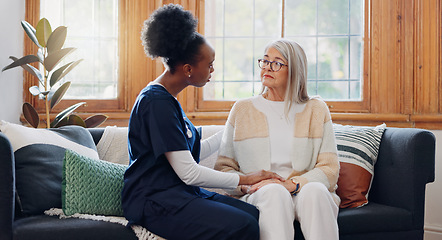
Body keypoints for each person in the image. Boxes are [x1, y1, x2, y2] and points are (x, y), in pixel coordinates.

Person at [121, 4, 282, 240]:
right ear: (188, 69)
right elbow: (188, 172)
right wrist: (246, 178)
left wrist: (235, 124)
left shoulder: (169, 100)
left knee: (254, 215)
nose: (212, 70)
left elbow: (192, 150)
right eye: (209, 65)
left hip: (178, 193)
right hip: (153, 200)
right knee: (243, 225)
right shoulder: (156, 102)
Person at [214, 39, 340, 240]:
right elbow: (223, 168)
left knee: (315, 191)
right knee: (274, 192)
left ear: (295, 71)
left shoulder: (316, 109)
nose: (267, 67)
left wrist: (292, 184)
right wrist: (246, 186)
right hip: (261, 194)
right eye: (265, 61)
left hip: (302, 190)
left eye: (277, 63)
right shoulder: (242, 109)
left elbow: (329, 169)